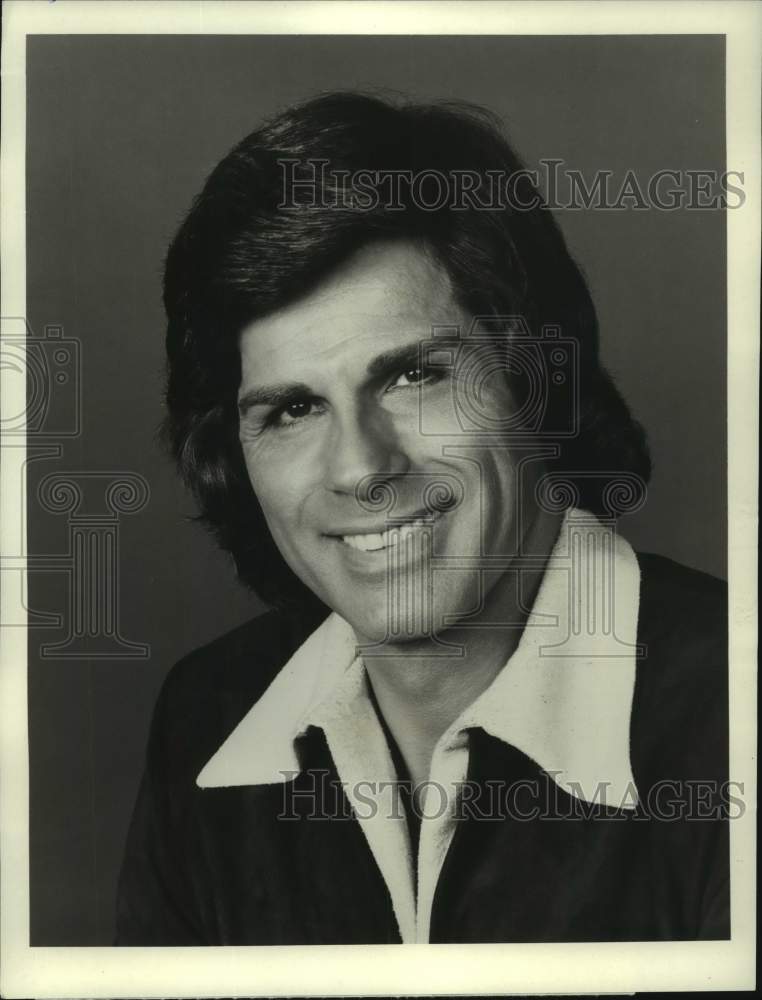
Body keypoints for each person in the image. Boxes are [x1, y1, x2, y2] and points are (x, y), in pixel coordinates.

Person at [116, 92, 729, 945]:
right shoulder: (207, 717)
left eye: (414, 376)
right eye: (292, 409)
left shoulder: (736, 711)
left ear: (535, 384)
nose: (362, 468)